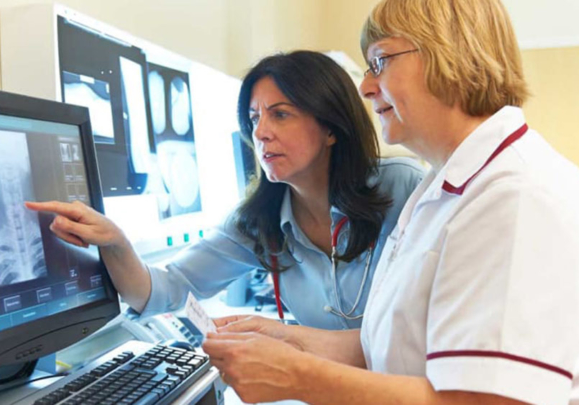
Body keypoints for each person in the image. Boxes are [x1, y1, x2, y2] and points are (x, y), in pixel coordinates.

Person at [202, 0, 579, 404]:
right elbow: (388, 349)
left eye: (380, 62)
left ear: (448, 52)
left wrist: (296, 375)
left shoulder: (513, 196)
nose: (365, 87)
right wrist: (285, 338)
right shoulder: (439, 190)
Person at [26, 50, 424, 330]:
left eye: (280, 114)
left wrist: (295, 345)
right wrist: (116, 242)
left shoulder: (403, 188)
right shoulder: (258, 220)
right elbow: (165, 292)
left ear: (331, 127)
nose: (261, 132)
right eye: (253, 118)